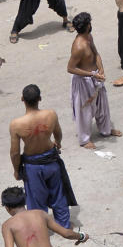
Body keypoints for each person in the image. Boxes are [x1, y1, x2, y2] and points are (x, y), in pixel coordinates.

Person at [9, 84, 77, 227]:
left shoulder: (16, 124)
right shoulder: (50, 115)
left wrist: (16, 170)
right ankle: (63, 225)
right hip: (51, 161)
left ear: (22, 99)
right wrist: (57, 143)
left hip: (32, 166)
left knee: (35, 200)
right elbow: (58, 133)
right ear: (39, 98)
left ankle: (40, 228)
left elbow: (15, 152)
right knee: (58, 194)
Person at [66, 12, 122, 149]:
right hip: (84, 81)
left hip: (95, 77)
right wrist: (91, 74)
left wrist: (101, 69)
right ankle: (84, 140)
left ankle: (106, 130)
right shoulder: (78, 47)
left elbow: (96, 53)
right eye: (90, 23)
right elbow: (70, 68)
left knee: (102, 106)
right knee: (84, 111)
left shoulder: (88, 37)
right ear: (87, 26)